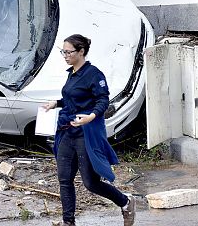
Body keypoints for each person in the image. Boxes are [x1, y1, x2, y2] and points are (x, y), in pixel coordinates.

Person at [44, 34, 135, 226]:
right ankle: (68, 221)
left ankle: (125, 202)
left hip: (86, 134)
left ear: (81, 52)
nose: (65, 55)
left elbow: (103, 100)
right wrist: (56, 103)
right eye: (63, 52)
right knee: (64, 179)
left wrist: (91, 117)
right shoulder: (72, 73)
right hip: (68, 131)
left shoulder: (94, 74)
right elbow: (73, 98)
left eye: (68, 52)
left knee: (90, 183)